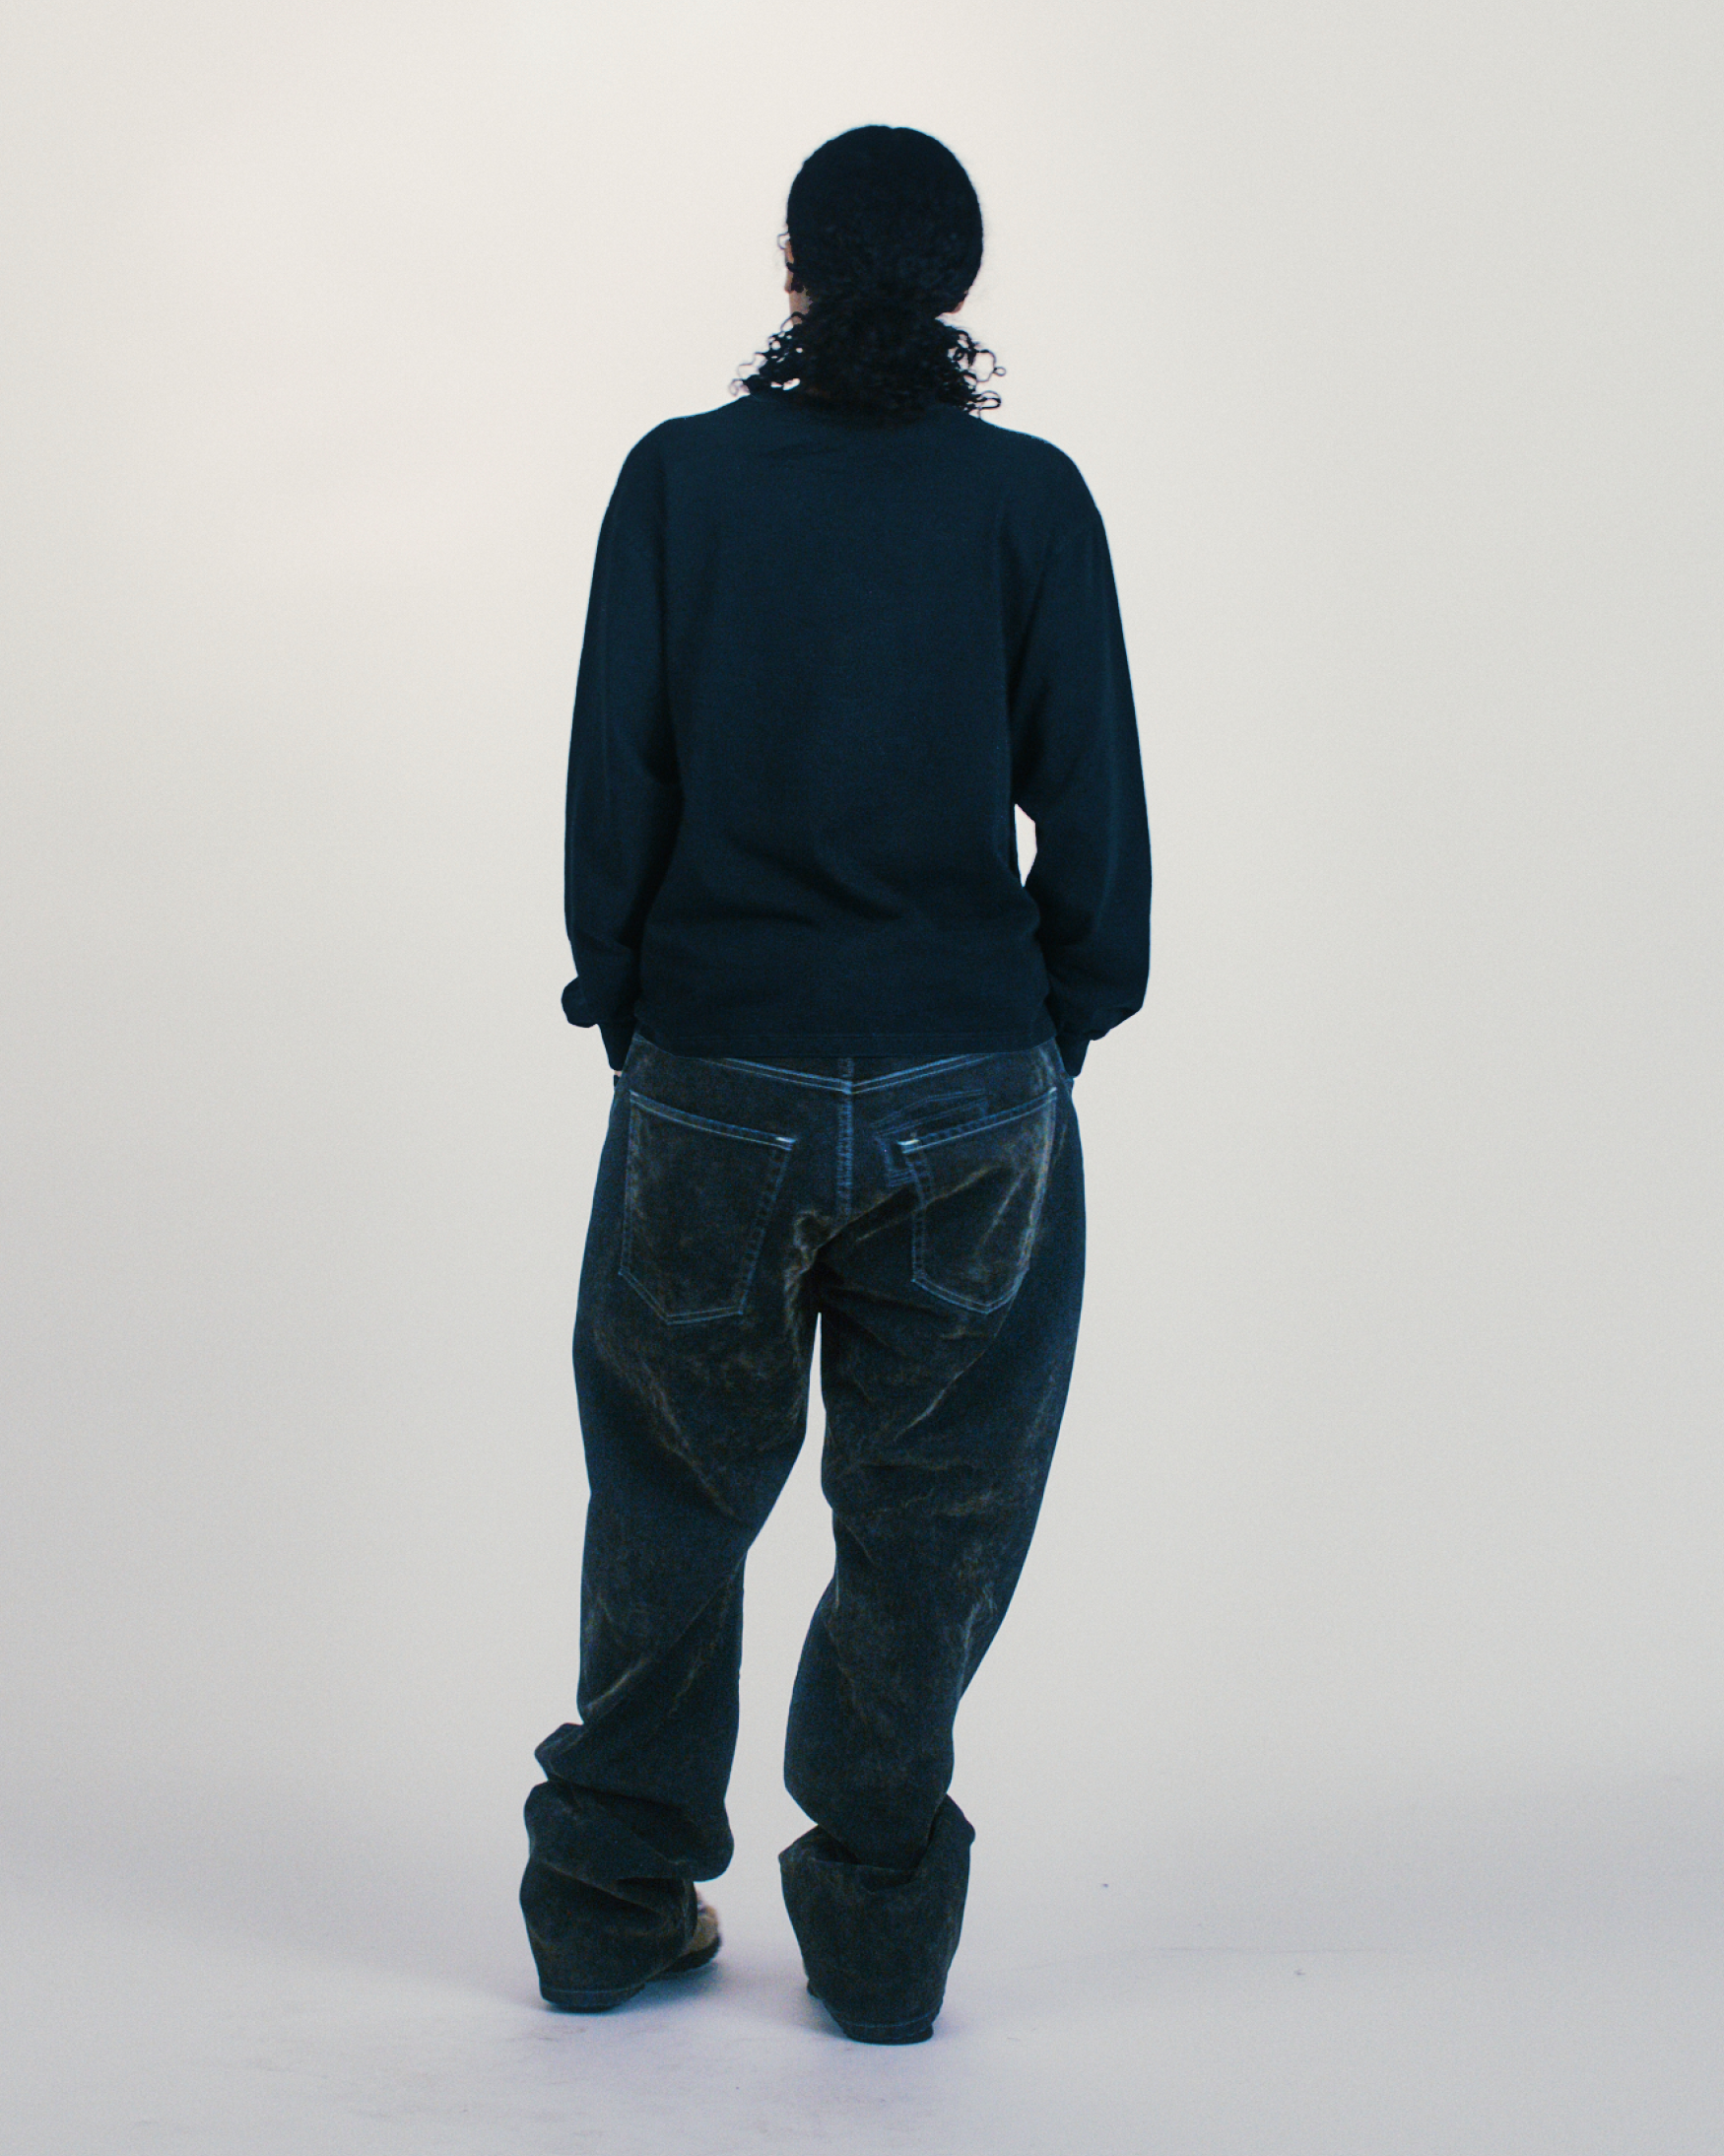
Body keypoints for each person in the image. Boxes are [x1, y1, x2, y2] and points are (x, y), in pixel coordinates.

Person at [518, 124, 1151, 2045]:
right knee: (930, 1520)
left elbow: (615, 776)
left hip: (717, 1066)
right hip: (967, 1082)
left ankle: (608, 1902)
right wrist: (1054, 1017)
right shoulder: (1028, 500)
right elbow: (1094, 813)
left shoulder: (680, 480)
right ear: (957, 286)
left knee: (666, 1497)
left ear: (789, 269)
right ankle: (877, 1942)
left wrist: (637, 1006)